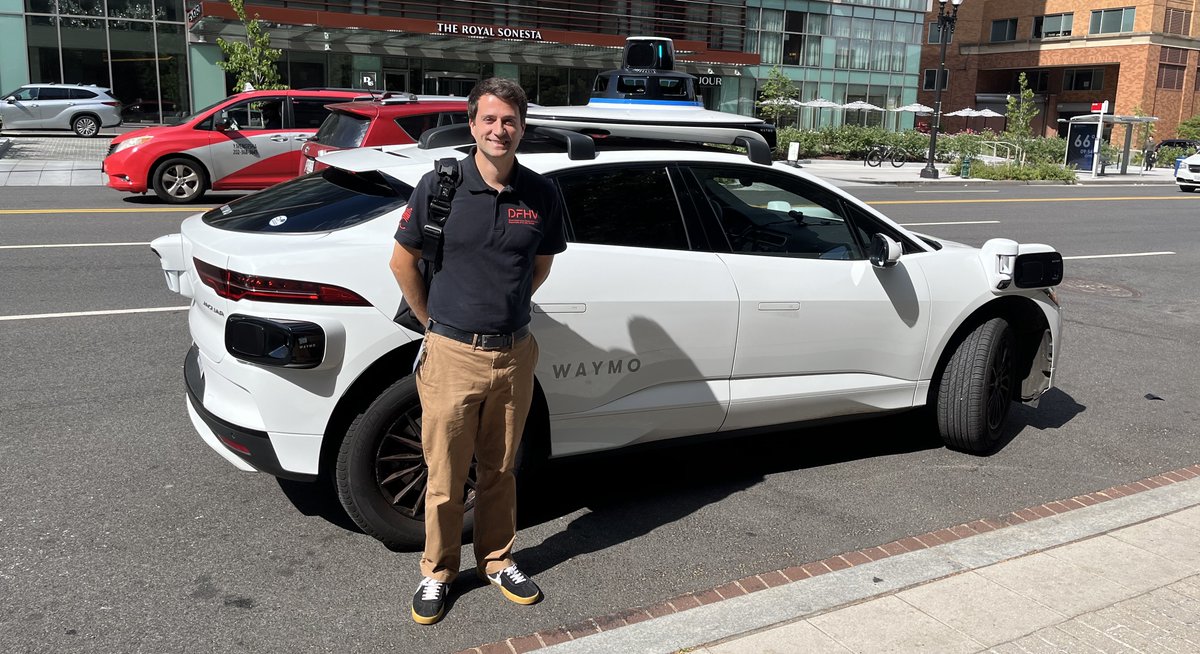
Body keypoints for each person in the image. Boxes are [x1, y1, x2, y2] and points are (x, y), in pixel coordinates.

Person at [389, 77, 566, 626]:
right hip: (451, 354)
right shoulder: (439, 186)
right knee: (444, 476)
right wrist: (435, 327)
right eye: (489, 119)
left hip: (515, 354)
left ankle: (497, 558)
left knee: (501, 469)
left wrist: (504, 311)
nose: (499, 129)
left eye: (509, 120)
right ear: (472, 125)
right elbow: (402, 263)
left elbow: (540, 266)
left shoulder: (541, 193)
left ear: (522, 127)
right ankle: (437, 572)